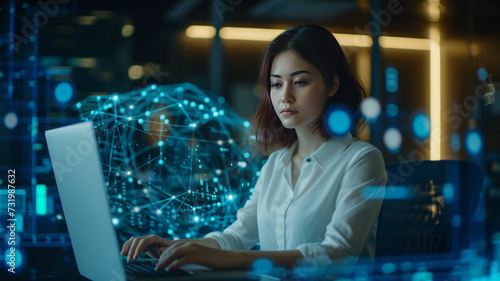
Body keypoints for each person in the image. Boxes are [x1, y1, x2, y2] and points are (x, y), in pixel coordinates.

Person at [120, 24, 387, 272]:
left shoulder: (361, 160)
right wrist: (176, 247)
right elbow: (236, 237)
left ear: (332, 85)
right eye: (276, 84)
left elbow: (337, 254)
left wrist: (232, 260)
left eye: (300, 81)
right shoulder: (275, 164)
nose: (285, 97)